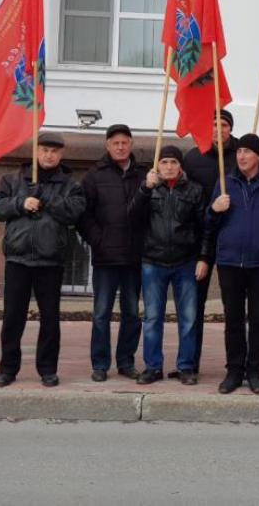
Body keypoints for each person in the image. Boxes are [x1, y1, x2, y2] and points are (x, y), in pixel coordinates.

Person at [0, 132, 86, 387]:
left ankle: (47, 369)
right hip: (18, 259)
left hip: (50, 260)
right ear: (36, 151)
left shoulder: (70, 184)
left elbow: (74, 212)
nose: (49, 155)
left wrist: (46, 199)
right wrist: (22, 202)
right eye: (44, 150)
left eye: (54, 151)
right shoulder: (12, 179)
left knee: (50, 318)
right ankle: (8, 368)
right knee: (13, 317)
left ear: (61, 154)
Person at [200, 133, 259, 395]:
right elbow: (209, 223)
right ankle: (234, 370)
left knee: (258, 318)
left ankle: (255, 371)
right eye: (239, 152)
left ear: (258, 156)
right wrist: (214, 208)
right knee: (233, 318)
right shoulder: (226, 183)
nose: (241, 156)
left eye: (247, 152)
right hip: (229, 261)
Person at [128, 145, 204, 386]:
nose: (169, 167)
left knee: (189, 318)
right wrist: (144, 189)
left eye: (173, 162)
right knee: (152, 317)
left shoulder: (194, 191)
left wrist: (203, 257)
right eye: (164, 162)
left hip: (186, 261)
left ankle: (186, 367)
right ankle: (152, 366)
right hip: (153, 261)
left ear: (180, 166)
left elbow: (204, 228)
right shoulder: (149, 188)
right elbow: (132, 217)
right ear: (157, 166)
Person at [77, 124, 147, 382]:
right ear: (107, 145)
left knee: (131, 312)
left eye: (124, 142)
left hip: (133, 256)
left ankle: (126, 361)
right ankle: (100, 363)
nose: (120, 147)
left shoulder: (143, 174)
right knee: (101, 313)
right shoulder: (94, 176)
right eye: (115, 143)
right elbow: (83, 214)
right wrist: (98, 240)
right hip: (106, 257)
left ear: (131, 144)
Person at [182, 108, 237, 374]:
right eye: (214, 124)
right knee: (194, 304)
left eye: (224, 125)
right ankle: (190, 363)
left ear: (230, 129)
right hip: (199, 240)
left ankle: (236, 366)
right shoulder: (193, 158)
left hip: (232, 239)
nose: (219, 129)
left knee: (233, 307)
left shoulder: (242, 155)